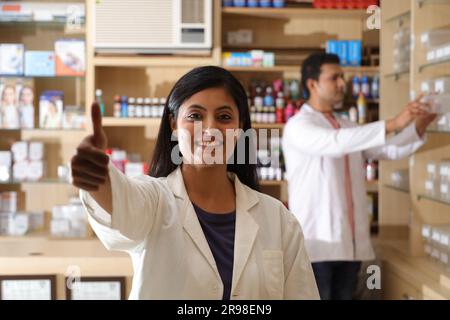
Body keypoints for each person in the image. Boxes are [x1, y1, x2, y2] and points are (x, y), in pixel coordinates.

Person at [73, 66, 319, 300]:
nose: (210, 129)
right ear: (173, 125)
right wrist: (98, 176)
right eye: (195, 116)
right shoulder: (155, 201)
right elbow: (123, 205)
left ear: (240, 127)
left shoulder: (278, 220)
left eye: (224, 117)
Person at [281, 53, 437, 300]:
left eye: (342, 77)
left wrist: (419, 125)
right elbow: (334, 143)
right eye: (335, 78)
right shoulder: (298, 126)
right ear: (312, 84)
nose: (343, 83)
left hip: (351, 247)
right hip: (317, 247)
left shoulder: (347, 126)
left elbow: (388, 150)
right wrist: (393, 122)